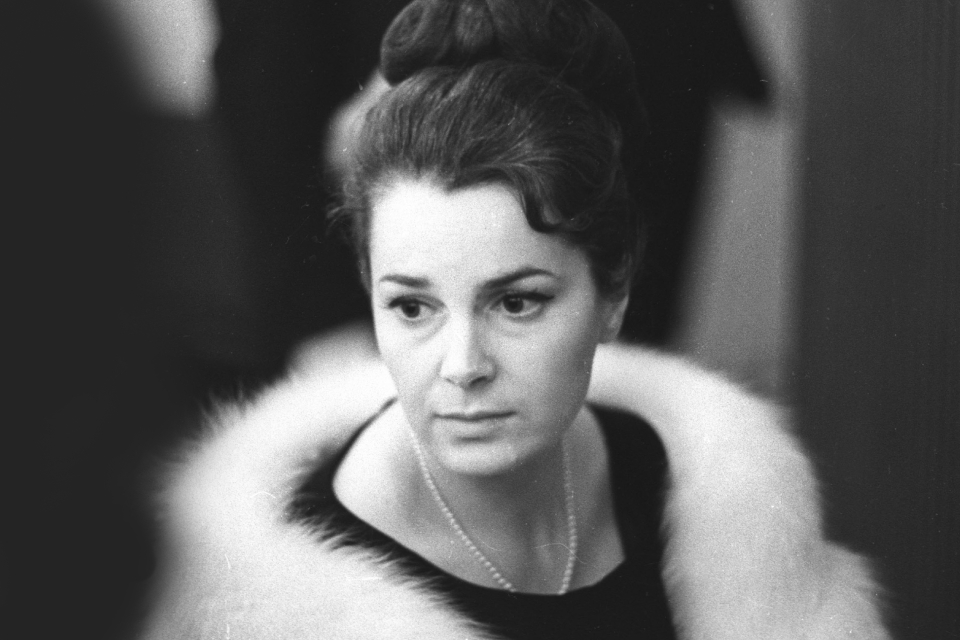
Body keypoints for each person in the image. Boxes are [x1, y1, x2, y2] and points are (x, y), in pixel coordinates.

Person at [139, 1, 888, 639]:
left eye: (517, 302)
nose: (464, 364)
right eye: (411, 306)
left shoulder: (708, 506)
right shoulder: (282, 594)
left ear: (615, 294)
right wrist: (324, 321)